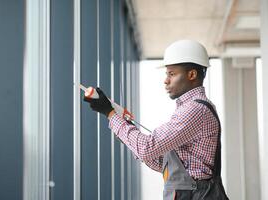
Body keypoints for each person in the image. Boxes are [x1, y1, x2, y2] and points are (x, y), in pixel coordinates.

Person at [84, 40, 229, 199]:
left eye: (172, 74)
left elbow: (146, 149)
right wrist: (126, 130)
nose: (166, 80)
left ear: (192, 74)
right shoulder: (190, 109)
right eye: (167, 74)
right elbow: (163, 164)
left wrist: (110, 114)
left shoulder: (195, 110)